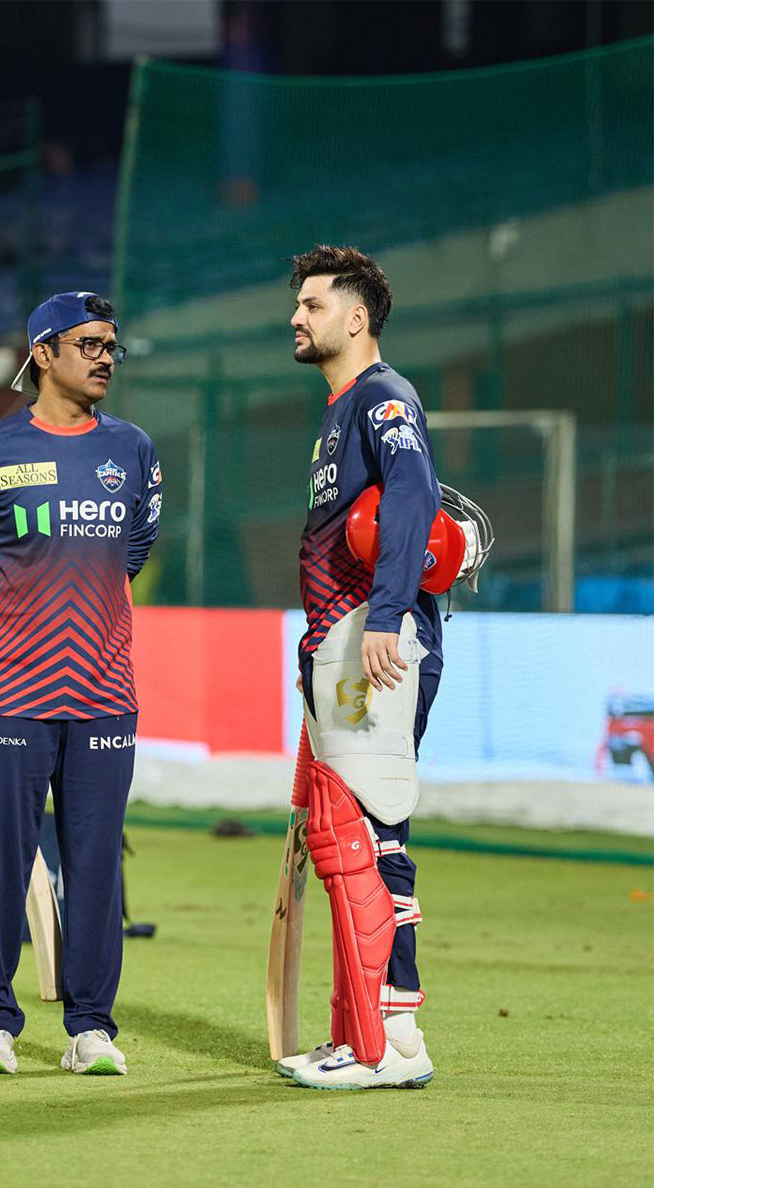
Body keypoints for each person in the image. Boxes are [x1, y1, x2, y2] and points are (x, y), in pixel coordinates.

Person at [0, 291, 161, 1076]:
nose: (106, 356)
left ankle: (91, 1029)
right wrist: (2, 645)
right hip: (10, 694)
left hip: (105, 692)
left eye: (112, 345)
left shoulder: (134, 449)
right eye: (90, 343)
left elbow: (132, 550)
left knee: (96, 864)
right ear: (43, 353)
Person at [281, 245, 443, 1089]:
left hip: (375, 644)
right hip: (342, 645)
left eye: (312, 304)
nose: (297, 317)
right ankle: (377, 1038)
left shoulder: (383, 398)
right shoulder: (343, 409)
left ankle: (389, 1046)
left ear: (357, 318)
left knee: (371, 836)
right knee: (353, 834)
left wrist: (383, 617)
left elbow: (415, 495)